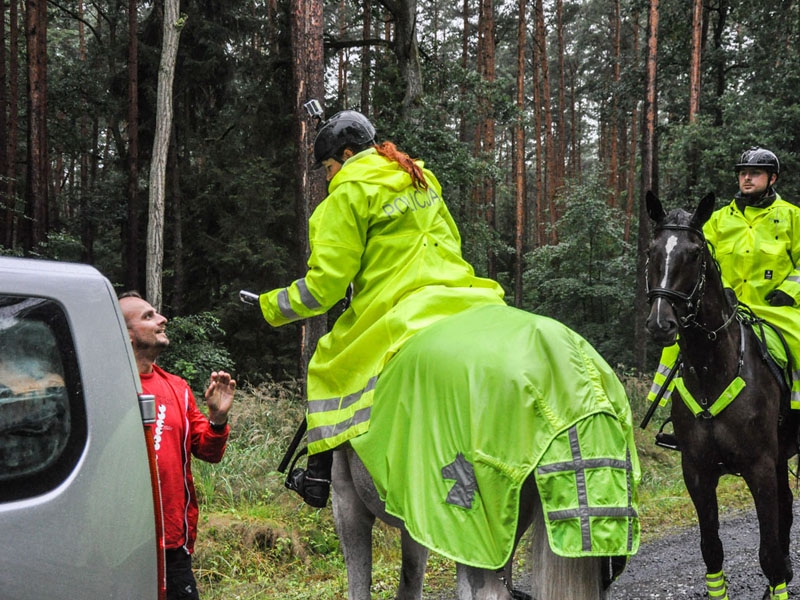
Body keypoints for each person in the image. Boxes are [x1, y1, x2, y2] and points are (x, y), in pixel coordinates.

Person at [254, 108, 506, 507]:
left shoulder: (348, 195)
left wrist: (272, 306)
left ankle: (318, 477)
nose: (329, 176)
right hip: (464, 296)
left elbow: (325, 288)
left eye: (329, 166)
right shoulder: (420, 177)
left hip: (398, 309)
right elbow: (452, 241)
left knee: (327, 364)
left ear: (349, 155)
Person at [648, 146, 800, 409]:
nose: (747, 179)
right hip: (725, 310)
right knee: (677, 346)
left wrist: (790, 290)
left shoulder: (792, 216)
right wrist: (726, 289)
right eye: (743, 174)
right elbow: (704, 262)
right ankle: (677, 415)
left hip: (776, 311)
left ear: (772, 178)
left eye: (755, 173)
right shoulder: (716, 221)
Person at [118, 292, 236, 600]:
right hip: (119, 545)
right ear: (126, 334)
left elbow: (208, 452)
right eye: (148, 316)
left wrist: (218, 419)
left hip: (173, 543)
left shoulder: (177, 388)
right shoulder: (107, 388)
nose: (161, 319)